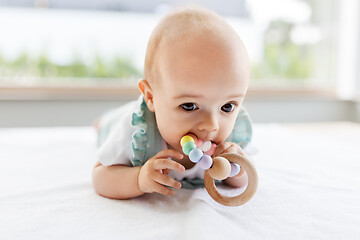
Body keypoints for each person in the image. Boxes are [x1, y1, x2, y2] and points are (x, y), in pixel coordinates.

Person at [92, 6, 253, 200]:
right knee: (108, 123)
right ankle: (102, 121)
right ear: (151, 97)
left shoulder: (231, 139)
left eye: (227, 107)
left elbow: (241, 182)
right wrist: (138, 179)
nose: (212, 125)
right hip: (121, 120)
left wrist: (237, 170)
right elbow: (100, 177)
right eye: (189, 106)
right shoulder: (135, 133)